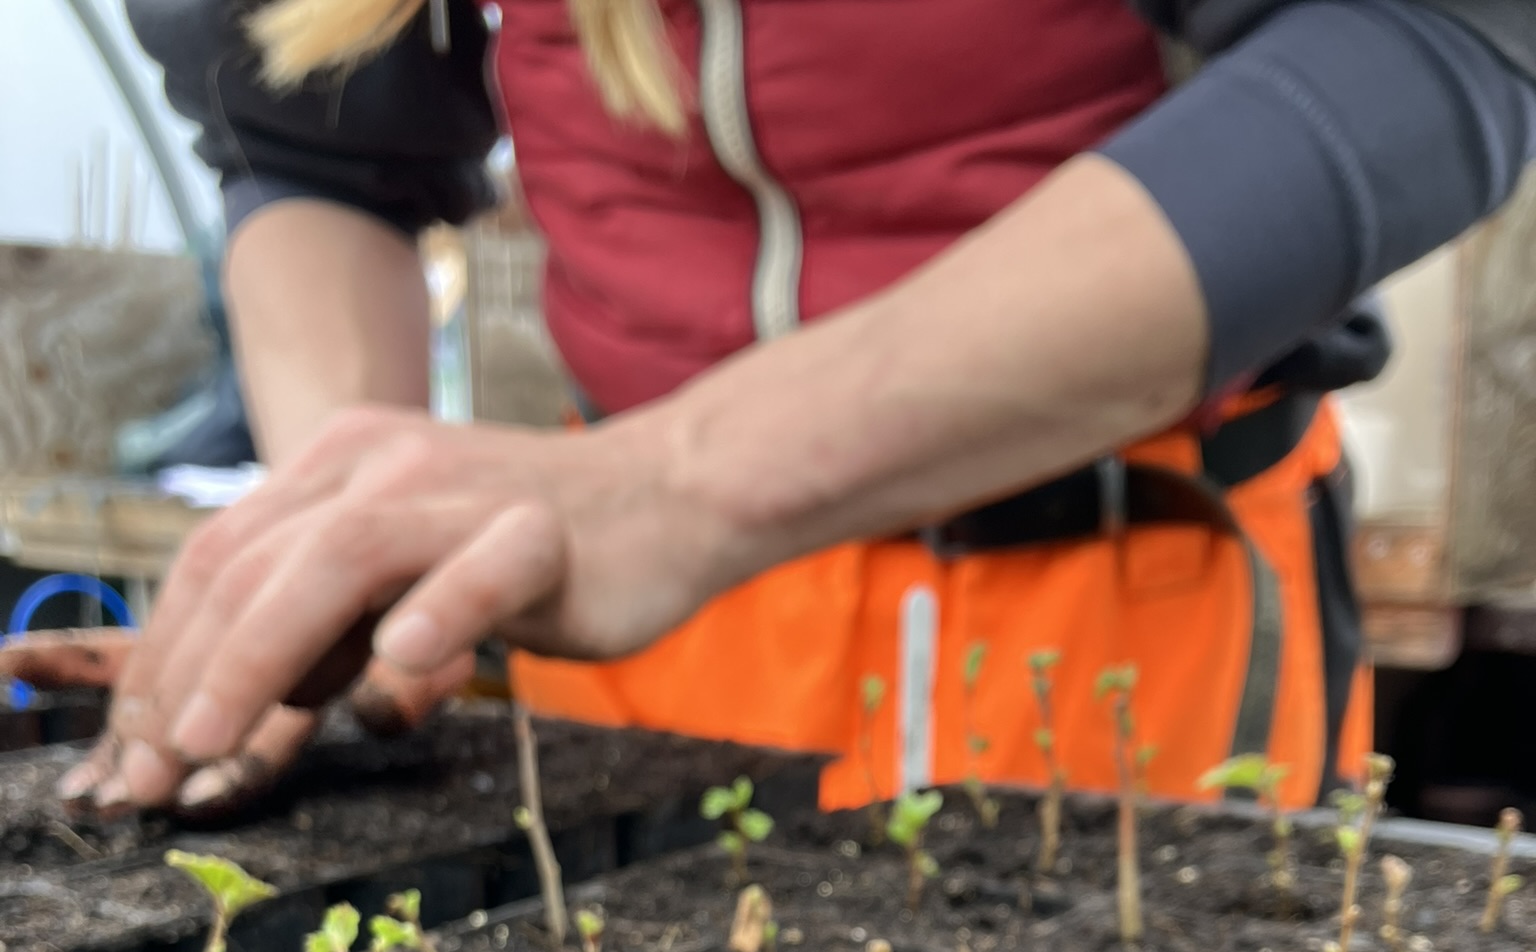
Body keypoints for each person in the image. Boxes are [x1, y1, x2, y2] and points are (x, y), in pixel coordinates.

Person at [43, 0, 1536, 818]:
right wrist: (343, 543)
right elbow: (311, 150)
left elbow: (1429, 37)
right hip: (620, 617)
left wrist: (687, 482)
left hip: (1116, 581)